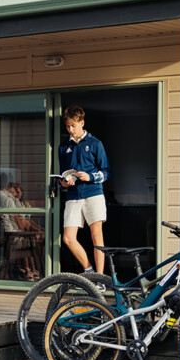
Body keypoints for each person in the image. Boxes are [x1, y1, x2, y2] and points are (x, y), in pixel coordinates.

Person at [58, 105, 109, 274]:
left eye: (73, 126)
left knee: (96, 236)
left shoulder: (96, 144)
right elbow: (63, 174)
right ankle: (89, 271)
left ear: (82, 122)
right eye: (67, 126)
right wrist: (64, 183)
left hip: (93, 194)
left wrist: (90, 177)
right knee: (68, 238)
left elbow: (106, 172)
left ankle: (100, 279)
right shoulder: (63, 147)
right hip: (73, 196)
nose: (70, 130)